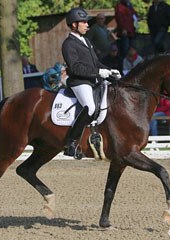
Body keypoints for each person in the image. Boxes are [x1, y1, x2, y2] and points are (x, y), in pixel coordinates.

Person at [62, 7, 121, 158]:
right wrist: (97, 73)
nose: (87, 25)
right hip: (79, 82)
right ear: (74, 24)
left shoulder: (86, 41)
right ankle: (71, 144)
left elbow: (96, 63)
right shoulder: (68, 44)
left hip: (92, 80)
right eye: (84, 22)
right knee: (90, 107)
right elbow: (75, 68)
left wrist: (110, 70)